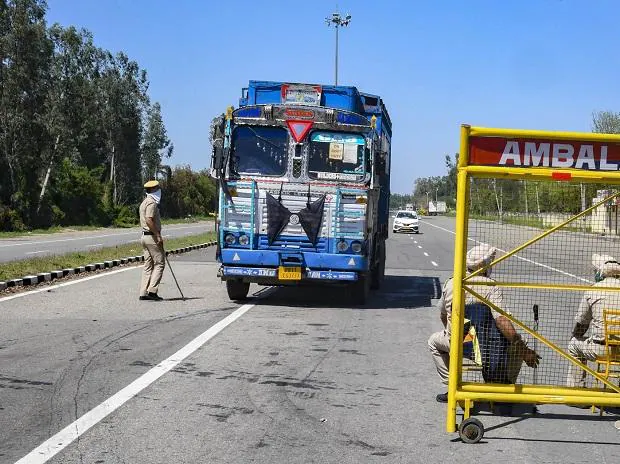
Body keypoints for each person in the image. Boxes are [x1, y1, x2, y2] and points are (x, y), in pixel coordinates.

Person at [428, 243, 540, 402]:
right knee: (522, 341)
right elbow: (502, 321)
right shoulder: (490, 287)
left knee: (433, 341)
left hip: (459, 342)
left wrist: (455, 333)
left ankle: (452, 386)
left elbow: (443, 316)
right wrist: (523, 350)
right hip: (487, 347)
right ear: (484, 266)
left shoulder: (451, 282)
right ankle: (503, 386)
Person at [566, 253, 620, 388]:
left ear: (601, 272)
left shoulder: (594, 290)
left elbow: (582, 325)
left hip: (601, 348)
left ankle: (577, 390)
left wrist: (576, 335)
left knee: (573, 345)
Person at [139, 180, 165, 301]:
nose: (159, 190)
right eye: (157, 188)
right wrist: (158, 235)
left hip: (144, 237)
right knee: (159, 263)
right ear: (153, 190)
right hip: (151, 237)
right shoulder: (151, 203)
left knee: (148, 265)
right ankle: (152, 291)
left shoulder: (144, 202)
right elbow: (149, 220)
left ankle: (143, 292)